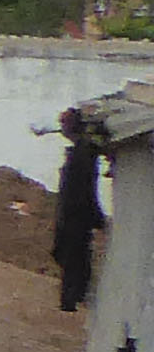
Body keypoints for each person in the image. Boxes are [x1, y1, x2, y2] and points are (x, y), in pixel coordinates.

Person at [59, 106, 107, 313]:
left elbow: (82, 190)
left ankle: (71, 298)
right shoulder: (83, 153)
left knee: (74, 256)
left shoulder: (81, 155)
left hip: (74, 215)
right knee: (75, 256)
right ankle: (72, 297)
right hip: (74, 216)